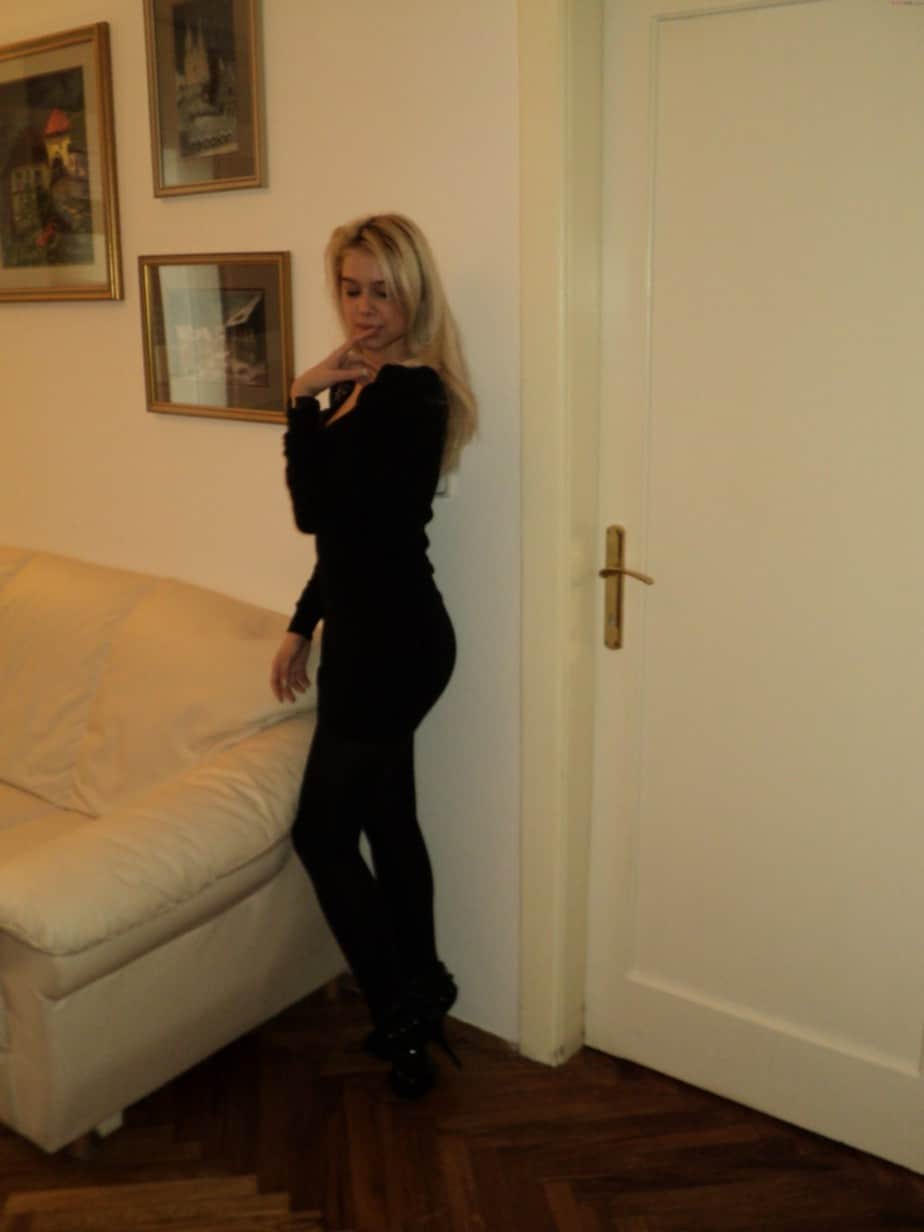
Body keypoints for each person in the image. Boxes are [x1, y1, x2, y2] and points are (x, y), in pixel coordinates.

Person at [270, 214, 476, 1098]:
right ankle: (421, 995)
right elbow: (347, 542)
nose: (364, 309)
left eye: (382, 291)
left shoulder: (410, 394)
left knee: (320, 833)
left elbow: (314, 512)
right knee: (388, 823)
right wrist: (301, 624)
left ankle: (398, 1008)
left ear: (414, 293)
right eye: (351, 289)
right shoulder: (364, 388)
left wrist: (297, 400)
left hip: (395, 645)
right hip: (368, 634)